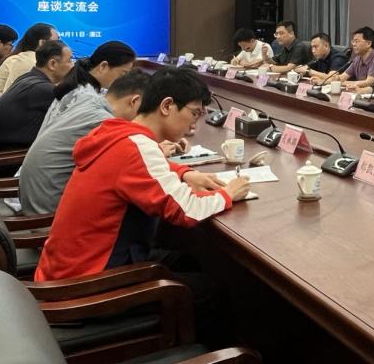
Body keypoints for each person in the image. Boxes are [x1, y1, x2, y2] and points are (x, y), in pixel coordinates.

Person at [35, 67, 249, 282]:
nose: (194, 125)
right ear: (166, 106)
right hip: (86, 281)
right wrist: (228, 193)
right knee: (215, 287)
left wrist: (183, 174)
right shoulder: (136, 147)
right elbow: (188, 209)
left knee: (186, 260)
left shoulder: (116, 132)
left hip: (65, 267)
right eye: (194, 113)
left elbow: (135, 169)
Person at [19, 69, 150, 215]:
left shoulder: (88, 101)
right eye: (145, 111)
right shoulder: (103, 121)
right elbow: (130, 163)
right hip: (48, 211)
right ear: (135, 101)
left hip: (34, 195)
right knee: (134, 204)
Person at [0, 40, 74, 151]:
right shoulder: (42, 89)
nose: (73, 65)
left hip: (4, 148)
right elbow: (78, 114)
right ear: (52, 64)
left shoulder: (28, 78)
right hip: (15, 156)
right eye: (70, 60)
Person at [0, 22, 59, 101]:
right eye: (57, 41)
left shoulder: (23, 57)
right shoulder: (28, 61)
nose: (60, 45)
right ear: (42, 43)